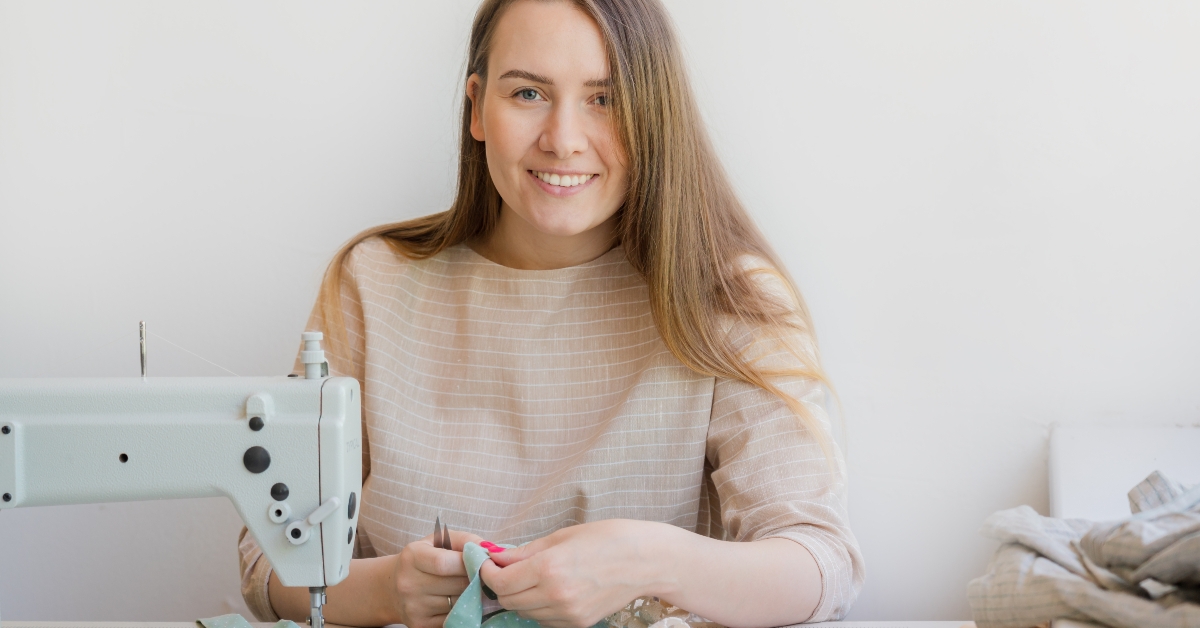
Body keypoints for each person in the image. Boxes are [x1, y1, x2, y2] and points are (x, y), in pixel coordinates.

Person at [238, 1, 864, 626]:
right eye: (529, 92)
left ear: (654, 113)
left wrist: (644, 559)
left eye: (604, 98)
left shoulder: (727, 299)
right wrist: (385, 591)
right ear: (478, 106)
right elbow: (265, 563)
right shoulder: (371, 282)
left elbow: (822, 565)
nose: (563, 140)